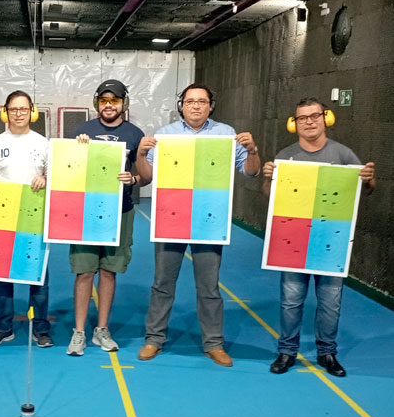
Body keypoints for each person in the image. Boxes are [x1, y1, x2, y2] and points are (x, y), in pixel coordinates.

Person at [136, 83, 260, 367]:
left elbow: (250, 172)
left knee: (209, 286)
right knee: (162, 283)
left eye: (202, 101)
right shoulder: (165, 135)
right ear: (181, 106)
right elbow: (147, 177)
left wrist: (252, 150)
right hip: (171, 218)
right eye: (190, 101)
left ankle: (214, 343)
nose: (195, 106)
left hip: (208, 220)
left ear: (210, 106)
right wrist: (142, 155)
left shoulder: (226, 134)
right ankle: (154, 339)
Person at [263, 97, 375, 377]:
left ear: (326, 118)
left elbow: (367, 189)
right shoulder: (285, 156)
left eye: (315, 116)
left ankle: (327, 353)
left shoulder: (343, 154)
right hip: (294, 239)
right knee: (291, 301)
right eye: (302, 118)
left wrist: (368, 178)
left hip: (331, 241)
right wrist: (267, 177)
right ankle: (287, 352)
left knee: (330, 303)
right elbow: (270, 194)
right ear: (294, 124)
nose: (309, 122)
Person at [66, 79, 146, 356]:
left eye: (114, 100)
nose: (109, 105)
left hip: (120, 211)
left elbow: (145, 175)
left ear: (124, 103)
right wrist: (78, 150)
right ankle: (79, 332)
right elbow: (69, 169)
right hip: (87, 212)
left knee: (109, 272)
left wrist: (133, 178)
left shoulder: (135, 134)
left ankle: (102, 329)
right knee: (85, 272)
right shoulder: (82, 130)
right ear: (96, 103)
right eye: (104, 100)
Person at [0, 90, 51, 347]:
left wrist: (46, 178)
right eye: (14, 109)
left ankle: (41, 328)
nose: (19, 114)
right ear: (5, 112)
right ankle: (3, 326)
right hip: (3, 217)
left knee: (38, 275)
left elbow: (55, 178)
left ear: (32, 112)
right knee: (1, 275)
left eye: (23, 109)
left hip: (34, 218)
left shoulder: (43, 143)